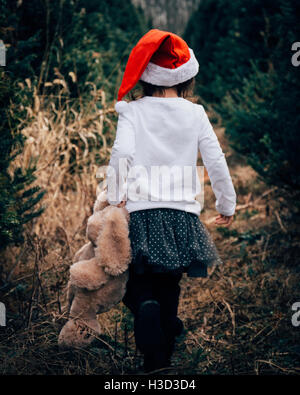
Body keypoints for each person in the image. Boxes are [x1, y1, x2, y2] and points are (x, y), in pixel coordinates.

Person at [106, 29, 236, 372]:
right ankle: (160, 353)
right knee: (170, 283)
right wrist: (227, 204)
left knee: (139, 281)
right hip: (181, 216)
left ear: (145, 76)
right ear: (186, 77)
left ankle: (147, 315)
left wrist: (114, 196)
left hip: (142, 213)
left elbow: (122, 152)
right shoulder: (195, 114)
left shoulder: (133, 111)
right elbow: (216, 160)